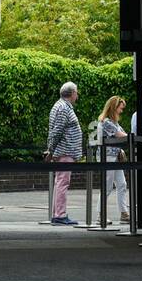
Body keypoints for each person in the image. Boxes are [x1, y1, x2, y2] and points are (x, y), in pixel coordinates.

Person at [44, 81, 83, 225]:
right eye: (76, 92)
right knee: (62, 182)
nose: (77, 95)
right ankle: (59, 215)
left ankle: (58, 214)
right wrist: (50, 150)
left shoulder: (61, 106)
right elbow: (57, 131)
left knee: (60, 182)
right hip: (65, 151)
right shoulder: (63, 108)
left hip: (64, 151)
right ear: (72, 93)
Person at [98, 96, 131, 223]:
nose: (122, 111)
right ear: (114, 107)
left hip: (114, 157)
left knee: (122, 184)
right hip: (108, 157)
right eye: (120, 108)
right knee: (106, 186)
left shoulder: (114, 122)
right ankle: (101, 215)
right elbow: (121, 135)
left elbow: (123, 134)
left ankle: (124, 213)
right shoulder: (106, 122)